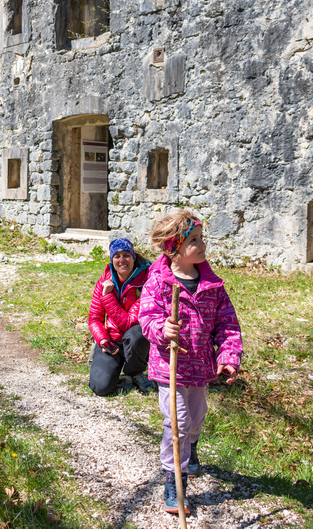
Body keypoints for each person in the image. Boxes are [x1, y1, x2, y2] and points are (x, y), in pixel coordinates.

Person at [138, 210, 243, 514]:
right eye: (194, 240)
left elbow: (227, 324)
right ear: (175, 248)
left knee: (196, 418)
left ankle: (191, 450)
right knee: (178, 423)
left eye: (201, 237)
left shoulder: (212, 284)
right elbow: (147, 318)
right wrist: (162, 328)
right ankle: (175, 479)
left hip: (201, 367)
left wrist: (228, 356)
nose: (202, 244)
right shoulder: (159, 281)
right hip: (170, 367)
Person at [87, 238, 153, 396]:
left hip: (135, 341)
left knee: (138, 333)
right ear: (112, 260)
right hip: (112, 341)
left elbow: (129, 323)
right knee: (101, 388)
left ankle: (135, 372)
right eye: (117, 256)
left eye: (126, 255)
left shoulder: (145, 283)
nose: (122, 260)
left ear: (133, 257)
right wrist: (103, 340)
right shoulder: (104, 282)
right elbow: (94, 319)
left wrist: (107, 297)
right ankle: (109, 363)